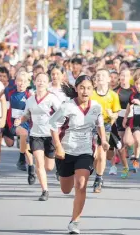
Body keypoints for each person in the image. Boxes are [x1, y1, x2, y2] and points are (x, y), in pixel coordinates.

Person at [49, 75, 109, 234]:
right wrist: (58, 147)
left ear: (93, 89)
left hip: (85, 151)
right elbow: (53, 126)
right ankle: (60, 172)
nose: (85, 91)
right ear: (76, 89)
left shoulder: (96, 107)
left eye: (89, 88)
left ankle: (75, 222)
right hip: (66, 152)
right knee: (66, 190)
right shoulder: (67, 106)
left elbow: (99, 125)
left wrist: (103, 141)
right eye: (82, 87)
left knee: (81, 185)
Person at [15, 73, 62, 201]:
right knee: (39, 163)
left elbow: (62, 113)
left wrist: (57, 125)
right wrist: (20, 120)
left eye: (43, 81)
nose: (41, 83)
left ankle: (54, 165)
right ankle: (44, 191)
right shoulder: (30, 100)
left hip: (50, 135)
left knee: (49, 167)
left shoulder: (52, 98)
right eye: (38, 80)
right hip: (35, 135)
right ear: (34, 82)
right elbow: (26, 115)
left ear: (47, 84)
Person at [90, 69, 121, 193]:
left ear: (109, 79)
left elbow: (116, 113)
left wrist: (112, 115)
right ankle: (95, 170)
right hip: (91, 126)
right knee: (94, 155)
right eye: (98, 76)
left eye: (103, 75)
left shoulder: (113, 95)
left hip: (106, 126)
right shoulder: (91, 93)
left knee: (102, 155)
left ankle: (98, 179)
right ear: (95, 80)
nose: (100, 77)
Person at [3, 71, 36, 184]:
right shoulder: (10, 92)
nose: (21, 83)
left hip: (25, 125)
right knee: (17, 139)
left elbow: (33, 112)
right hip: (12, 124)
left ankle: (31, 169)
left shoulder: (30, 96)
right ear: (15, 81)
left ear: (28, 83)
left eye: (24, 81)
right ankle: (21, 159)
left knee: (27, 148)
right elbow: (2, 99)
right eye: (19, 80)